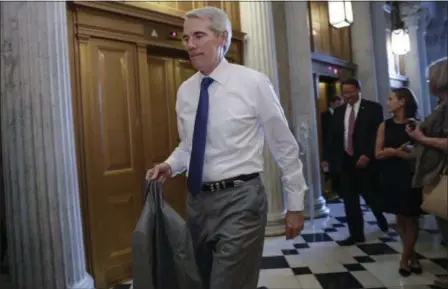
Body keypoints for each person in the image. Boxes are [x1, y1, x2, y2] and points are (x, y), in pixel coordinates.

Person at [145, 6, 307, 289]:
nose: (190, 45)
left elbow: (283, 145)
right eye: (186, 38)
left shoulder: (253, 83)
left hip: (242, 201)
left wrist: (295, 204)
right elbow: (189, 146)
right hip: (197, 202)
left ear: (222, 38)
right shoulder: (186, 91)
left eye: (198, 35)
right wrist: (170, 165)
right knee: (200, 282)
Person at [322, 78, 388, 246]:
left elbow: (376, 134)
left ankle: (380, 217)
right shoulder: (339, 111)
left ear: (358, 90)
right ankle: (356, 234)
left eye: (351, 92)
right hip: (344, 161)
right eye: (345, 93)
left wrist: (367, 154)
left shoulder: (373, 108)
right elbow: (331, 137)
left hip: (364, 161)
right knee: (350, 200)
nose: (348, 96)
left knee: (370, 195)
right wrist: (326, 158)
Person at [406, 57, 448, 288]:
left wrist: (422, 138)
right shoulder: (442, 104)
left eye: (431, 77)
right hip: (437, 172)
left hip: (443, 174)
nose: (429, 81)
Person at [375, 87, 424, 277]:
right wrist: (398, 152)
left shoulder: (415, 125)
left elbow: (420, 156)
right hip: (391, 175)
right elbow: (378, 153)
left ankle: (405, 259)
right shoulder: (384, 125)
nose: (387, 102)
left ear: (402, 102)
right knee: (400, 218)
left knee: (411, 217)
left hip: (411, 176)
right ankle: (411, 255)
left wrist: (395, 152)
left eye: (390, 99)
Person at [321, 95, 343, 198]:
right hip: (328, 147)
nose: (340, 106)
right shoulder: (324, 116)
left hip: (339, 149)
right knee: (329, 171)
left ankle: (338, 191)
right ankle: (329, 192)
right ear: (332, 103)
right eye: (338, 104)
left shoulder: (341, 115)